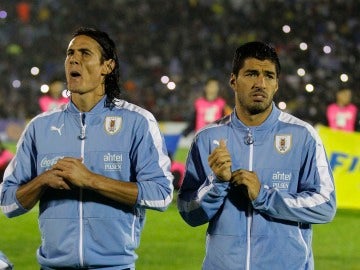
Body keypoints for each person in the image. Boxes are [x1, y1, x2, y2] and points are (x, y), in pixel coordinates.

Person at [0, 27, 173, 270]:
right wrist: (42, 181)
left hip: (115, 267)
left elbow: (161, 194)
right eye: (70, 53)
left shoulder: (137, 122)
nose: (74, 58)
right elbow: (7, 202)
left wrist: (91, 180)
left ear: (107, 66)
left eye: (84, 53)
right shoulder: (39, 127)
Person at [177, 41, 336, 270]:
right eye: (251, 74)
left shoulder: (302, 135)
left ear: (277, 84)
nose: (261, 83)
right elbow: (189, 212)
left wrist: (264, 196)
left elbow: (325, 205)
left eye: (269, 76)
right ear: (233, 80)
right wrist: (217, 183)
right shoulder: (207, 138)